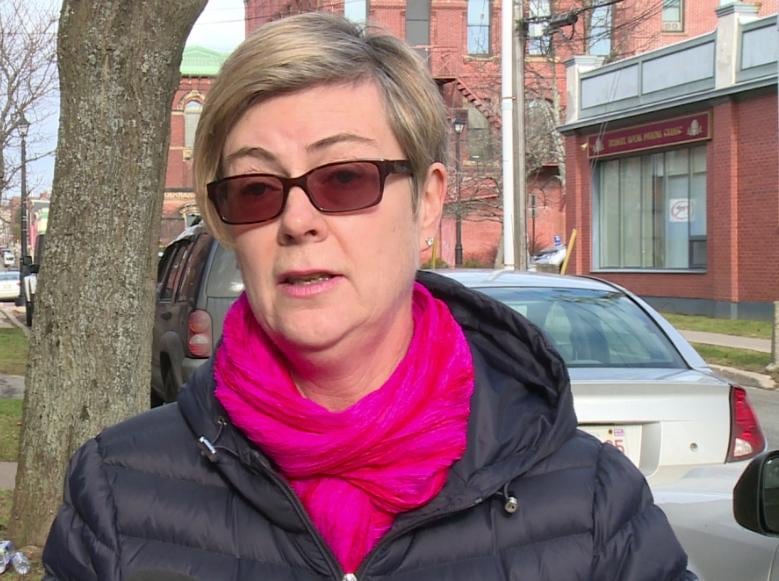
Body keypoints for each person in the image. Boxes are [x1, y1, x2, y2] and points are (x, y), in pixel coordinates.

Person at [43, 12, 694, 580]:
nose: (297, 220)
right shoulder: (120, 491)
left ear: (427, 200)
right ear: (225, 224)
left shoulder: (591, 505)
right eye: (255, 189)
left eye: (345, 177)